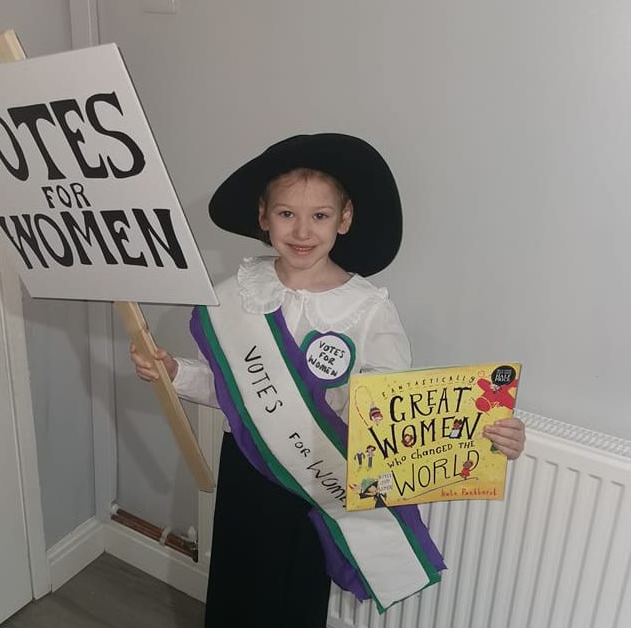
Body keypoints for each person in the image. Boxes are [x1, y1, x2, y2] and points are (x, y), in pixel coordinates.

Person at [131, 133, 526, 627]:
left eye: (319, 215)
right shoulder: (235, 295)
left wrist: (485, 434)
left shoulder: (368, 309)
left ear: (344, 218)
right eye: (286, 213)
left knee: (296, 596)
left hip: (320, 480)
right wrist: (174, 373)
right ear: (263, 216)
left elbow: (402, 414)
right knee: (238, 585)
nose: (302, 231)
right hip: (249, 469)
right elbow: (224, 390)